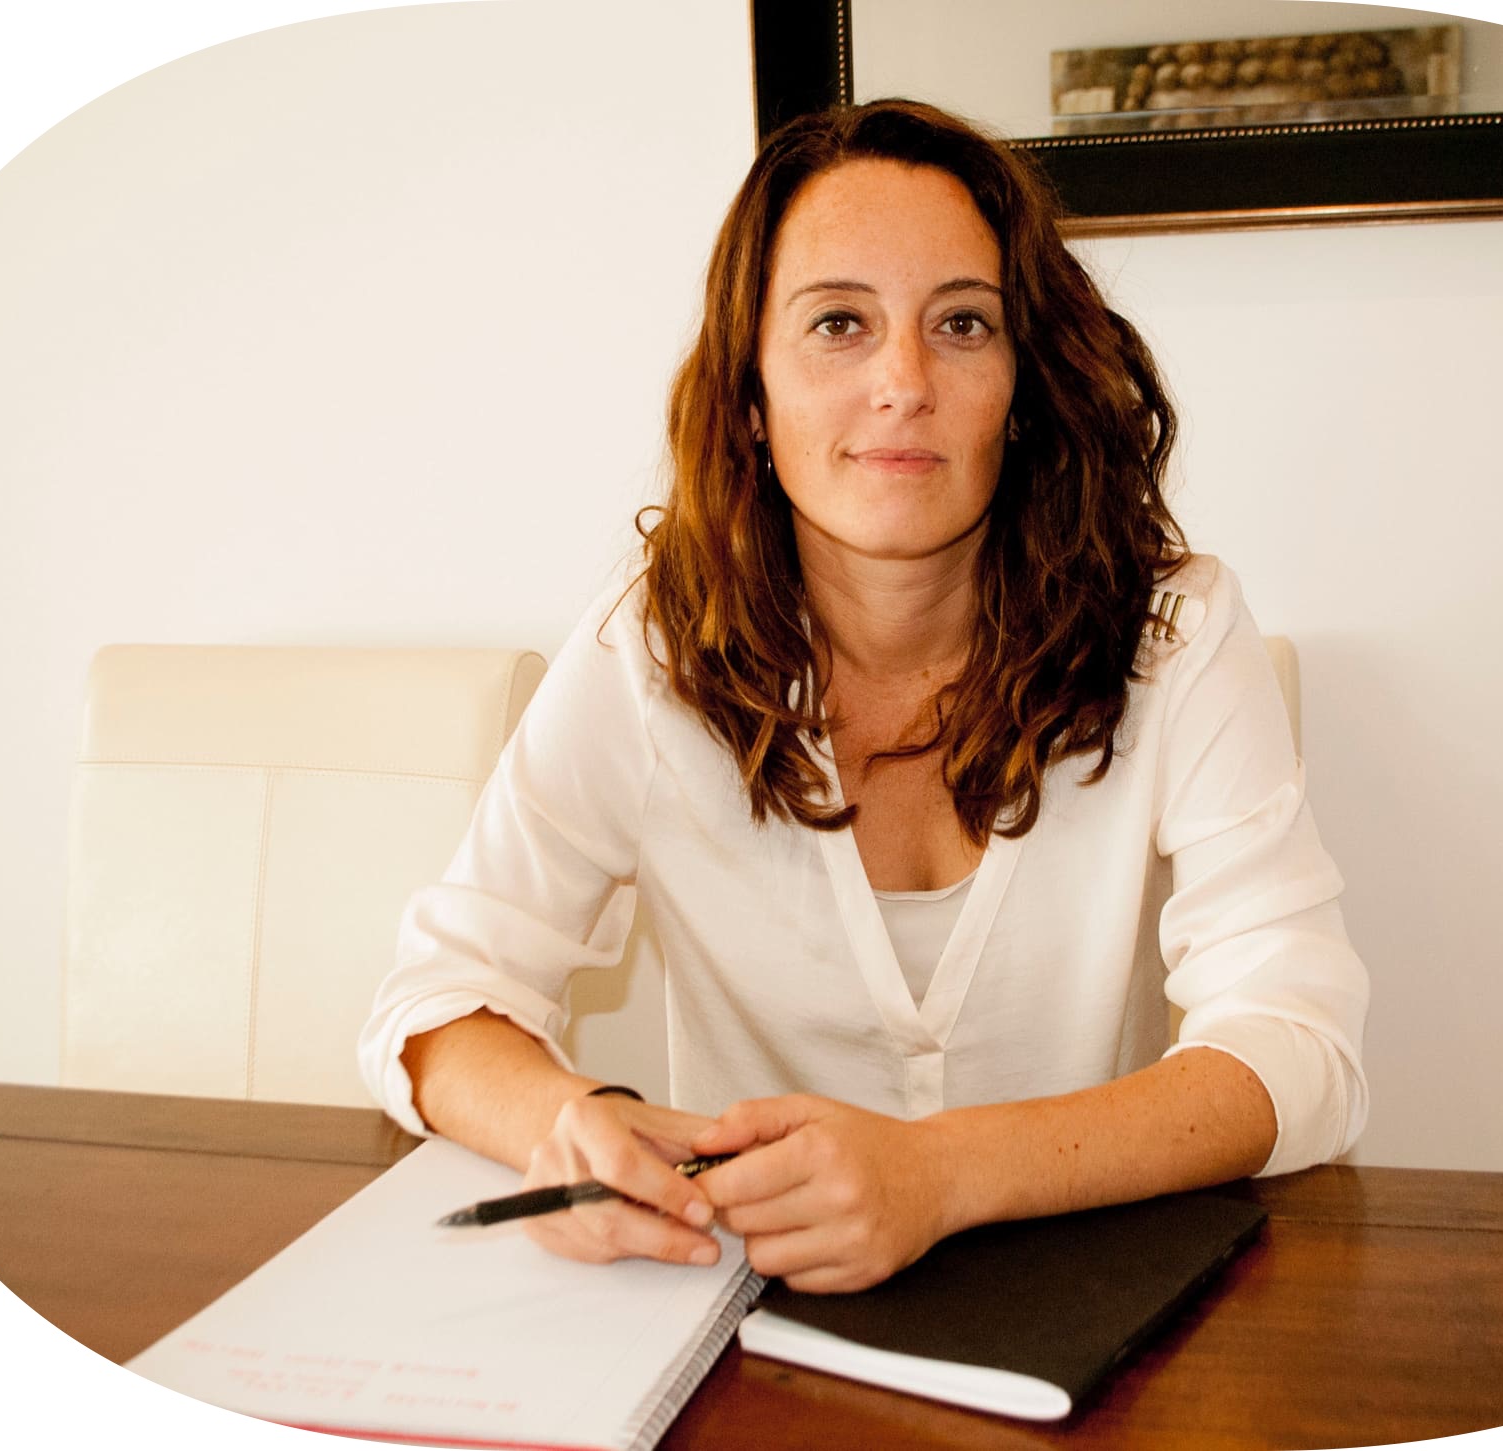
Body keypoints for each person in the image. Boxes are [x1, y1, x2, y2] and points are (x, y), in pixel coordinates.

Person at [357, 98, 1368, 1294]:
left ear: (1024, 388)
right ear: (750, 393)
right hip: (747, 1309)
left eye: (962, 323)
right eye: (839, 322)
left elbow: (1300, 1048)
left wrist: (940, 1172)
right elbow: (434, 1000)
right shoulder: (653, 645)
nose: (903, 381)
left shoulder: (1176, 631)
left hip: (1087, 1313)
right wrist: (566, 1120)